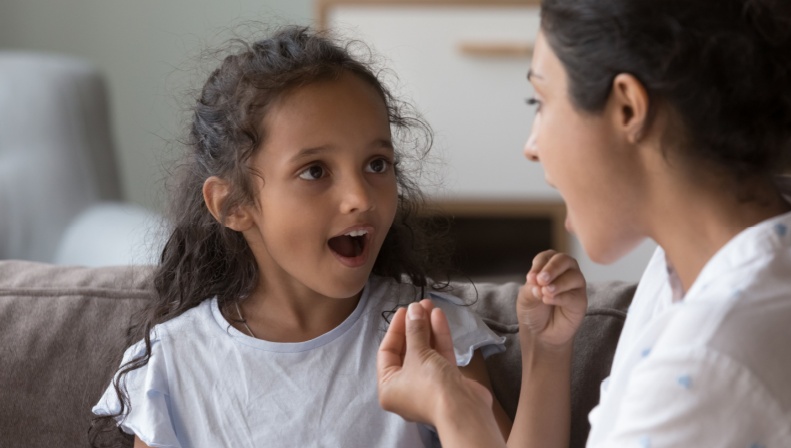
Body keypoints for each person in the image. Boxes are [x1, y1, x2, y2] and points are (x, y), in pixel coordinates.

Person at [377, 0, 791, 446]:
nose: (531, 145)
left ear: (627, 109)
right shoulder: (780, 250)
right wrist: (545, 356)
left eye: (540, 99)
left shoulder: (708, 369)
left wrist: (458, 413)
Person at [89, 26, 512, 448]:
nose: (360, 197)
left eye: (377, 164)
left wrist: (547, 356)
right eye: (315, 171)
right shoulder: (172, 366)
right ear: (232, 203)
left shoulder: (431, 336)